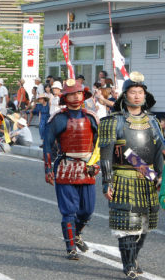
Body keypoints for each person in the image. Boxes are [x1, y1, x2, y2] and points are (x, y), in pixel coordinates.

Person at [98, 72, 164, 278]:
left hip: (149, 177)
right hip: (123, 177)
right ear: (125, 95)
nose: (137, 96)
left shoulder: (153, 121)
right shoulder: (113, 121)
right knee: (127, 223)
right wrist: (106, 181)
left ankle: (133, 258)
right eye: (133, 92)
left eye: (140, 92)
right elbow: (106, 153)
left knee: (145, 223)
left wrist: (160, 176)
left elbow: (159, 149)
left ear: (145, 96)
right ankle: (128, 265)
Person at [43, 78, 99, 260]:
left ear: (83, 95)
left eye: (78, 93)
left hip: (87, 167)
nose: (75, 96)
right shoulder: (58, 118)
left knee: (87, 211)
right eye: (71, 94)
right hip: (65, 166)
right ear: (64, 97)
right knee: (69, 210)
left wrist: (97, 163)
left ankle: (76, 234)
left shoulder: (91, 116)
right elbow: (47, 145)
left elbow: (100, 144)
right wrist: (48, 169)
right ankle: (71, 247)